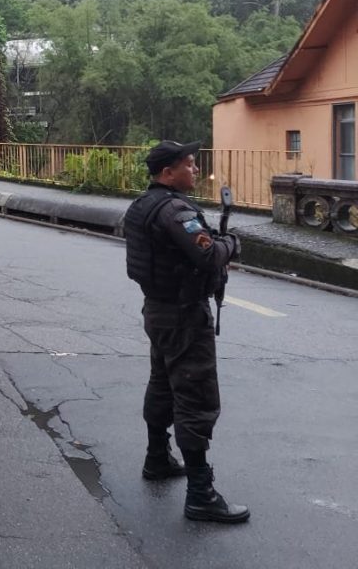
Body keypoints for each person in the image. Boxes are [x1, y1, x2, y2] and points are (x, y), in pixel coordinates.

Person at [123, 140, 249, 524]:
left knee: (162, 384)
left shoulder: (142, 205)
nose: (195, 170)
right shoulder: (175, 210)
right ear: (167, 173)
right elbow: (207, 252)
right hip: (183, 317)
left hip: (158, 310)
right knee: (194, 394)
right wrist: (232, 243)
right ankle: (201, 493)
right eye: (189, 165)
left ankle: (157, 457)